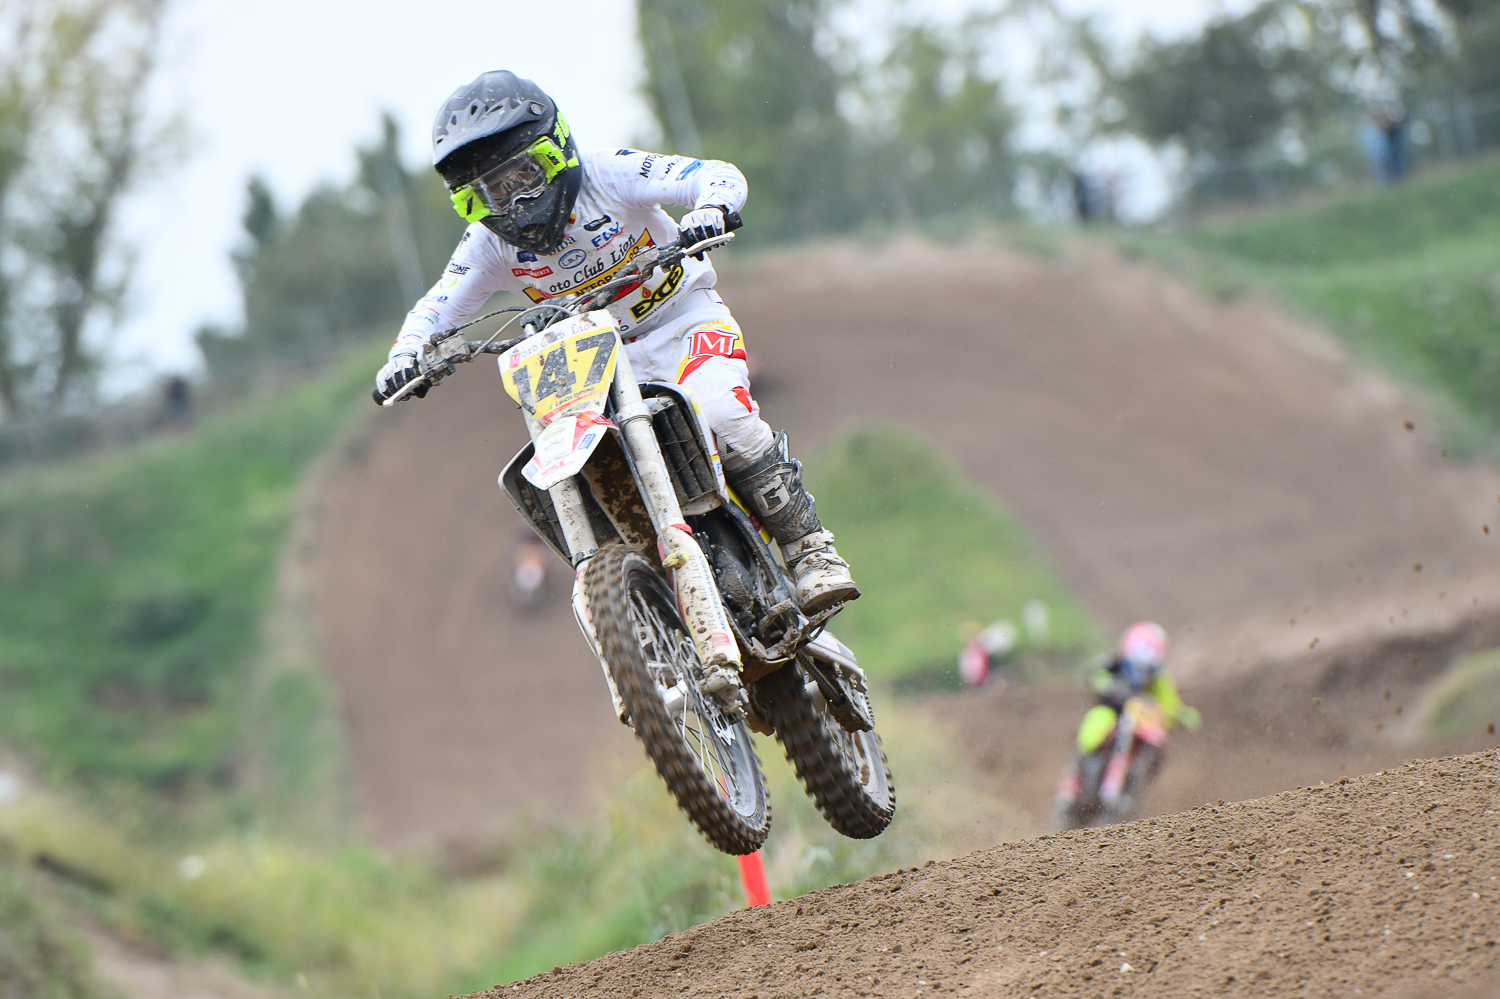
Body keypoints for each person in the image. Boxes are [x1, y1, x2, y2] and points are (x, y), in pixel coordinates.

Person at [372, 71, 858, 613]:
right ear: (471, 200)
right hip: (593, 363)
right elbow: (438, 305)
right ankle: (643, 604)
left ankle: (809, 548)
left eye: (524, 175)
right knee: (584, 468)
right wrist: (406, 355)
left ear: (556, 150)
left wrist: (710, 208)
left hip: (682, 321)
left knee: (723, 413)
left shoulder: (608, 174)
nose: (514, 200)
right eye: (492, 190)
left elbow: (711, 175)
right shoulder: (486, 242)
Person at [1053, 621, 1200, 825]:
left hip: (1138, 721)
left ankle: (1133, 790)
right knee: (1094, 729)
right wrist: (1105, 684)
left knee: (1159, 745)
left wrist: (1182, 715)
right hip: (1112, 712)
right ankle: (1073, 782)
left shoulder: (1158, 678)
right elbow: (1093, 674)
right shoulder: (1115, 662)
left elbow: (1170, 702)